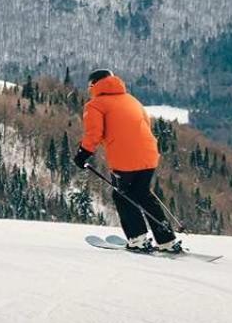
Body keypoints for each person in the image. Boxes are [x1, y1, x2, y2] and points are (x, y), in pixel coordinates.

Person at [74, 68, 181, 253]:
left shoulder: (95, 105)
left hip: (125, 159)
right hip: (149, 155)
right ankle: (167, 240)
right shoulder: (131, 100)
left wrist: (82, 154)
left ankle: (138, 239)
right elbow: (145, 125)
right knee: (143, 194)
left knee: (122, 195)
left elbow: (94, 134)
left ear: (94, 84)